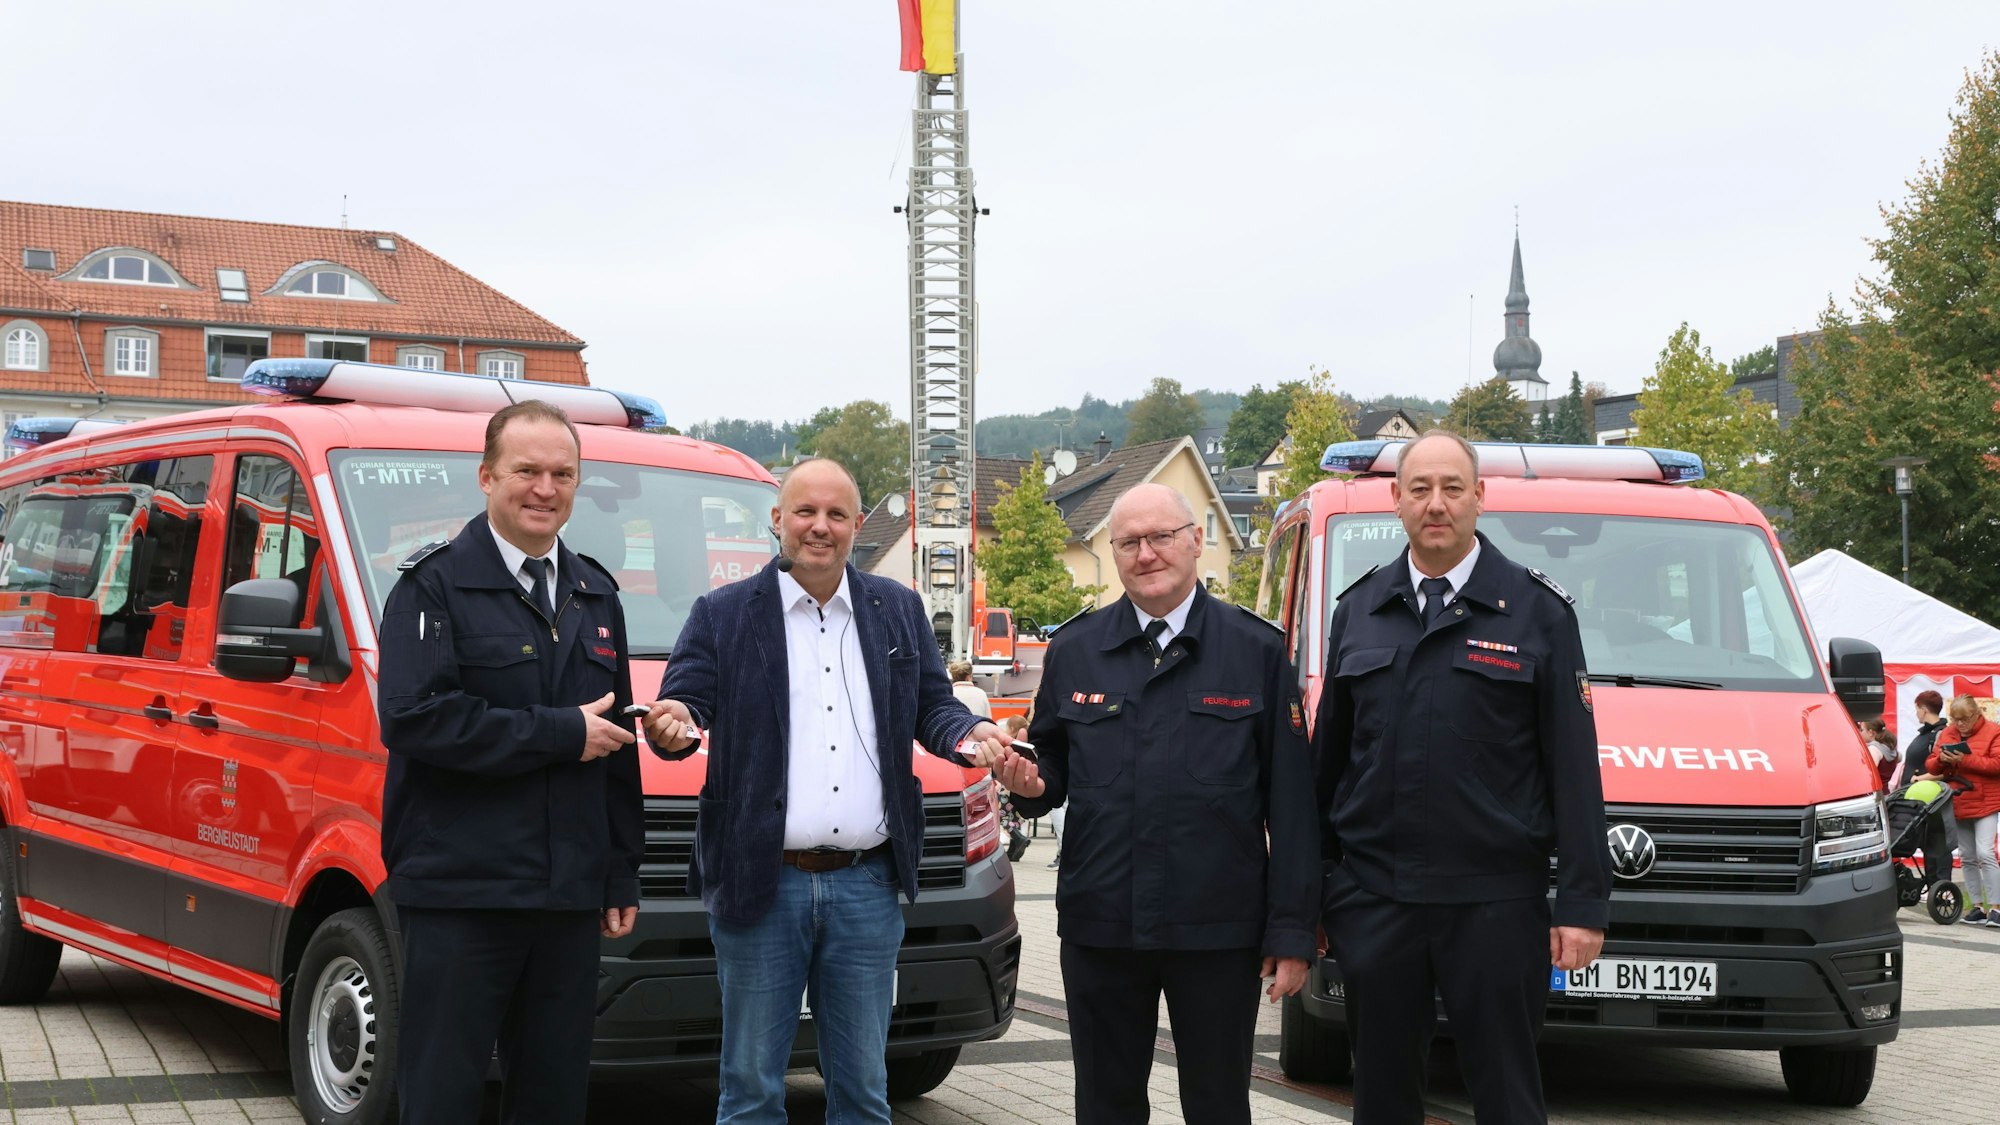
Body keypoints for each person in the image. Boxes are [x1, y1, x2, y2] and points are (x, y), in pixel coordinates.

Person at [641, 457, 1010, 1124]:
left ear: (857, 526)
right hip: (760, 885)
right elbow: (684, 700)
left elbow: (934, 704)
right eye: (804, 512)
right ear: (777, 519)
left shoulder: (895, 607)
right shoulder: (723, 614)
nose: (820, 526)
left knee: (865, 1089)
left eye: (836, 514)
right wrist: (676, 724)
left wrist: (972, 730)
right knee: (752, 1088)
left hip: (867, 888)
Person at [992, 483, 1318, 1125]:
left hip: (1218, 930)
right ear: (1113, 552)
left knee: (1219, 1104)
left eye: (1161, 537)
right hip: (1103, 925)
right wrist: (1027, 785)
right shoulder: (1077, 650)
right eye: (1129, 542)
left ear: (1197, 541)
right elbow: (1051, 771)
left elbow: (1294, 804)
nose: (1146, 553)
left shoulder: (1254, 649)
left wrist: (1292, 932)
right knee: (1106, 1106)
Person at [1313, 429, 1610, 1124]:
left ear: (1481, 496)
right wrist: (1314, 897)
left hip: (1494, 904)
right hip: (1377, 900)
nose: (1436, 504)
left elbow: (1573, 767)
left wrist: (1582, 902)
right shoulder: (1359, 610)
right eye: (1420, 489)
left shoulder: (1538, 613)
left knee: (1507, 1095)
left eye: (1452, 487)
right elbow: (1325, 768)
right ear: (1396, 500)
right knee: (1381, 1098)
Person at [376, 400, 644, 1124]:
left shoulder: (595, 593)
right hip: (464, 894)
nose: (544, 488)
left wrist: (620, 870)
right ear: (487, 476)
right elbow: (413, 718)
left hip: (565, 898)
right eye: (527, 470)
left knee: (553, 1098)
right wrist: (557, 733)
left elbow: (615, 746)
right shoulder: (431, 587)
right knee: (441, 1093)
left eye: (562, 473)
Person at [1928, 695, 2000, 927]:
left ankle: (1996, 908)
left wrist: (1965, 759)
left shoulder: (1993, 731)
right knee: (1967, 857)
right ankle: (1977, 907)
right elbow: (1930, 764)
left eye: (1964, 719)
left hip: (1986, 801)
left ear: (1977, 714)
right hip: (1959, 801)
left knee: (1986, 853)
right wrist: (1941, 758)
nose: (1959, 724)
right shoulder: (1948, 733)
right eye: (1955, 719)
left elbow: (1997, 765)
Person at [1895, 691, 1953, 885]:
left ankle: (1940, 885)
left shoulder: (1941, 734)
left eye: (1917, 709)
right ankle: (1932, 884)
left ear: (1923, 709)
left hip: (1931, 797)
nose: (1916, 713)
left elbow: (1947, 769)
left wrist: (1920, 779)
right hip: (1917, 796)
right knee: (1927, 843)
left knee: (1936, 843)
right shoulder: (1927, 733)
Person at [1861, 717, 1898, 785]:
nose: (1860, 733)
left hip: (1879, 793)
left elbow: (1869, 774)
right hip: (1890, 792)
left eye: (1862, 730)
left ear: (1870, 732)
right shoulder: (1889, 746)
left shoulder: (1874, 749)